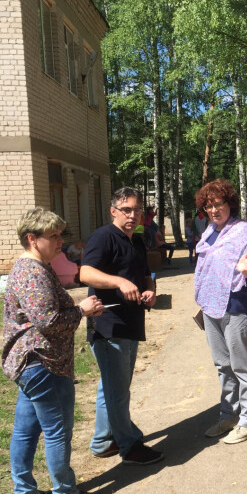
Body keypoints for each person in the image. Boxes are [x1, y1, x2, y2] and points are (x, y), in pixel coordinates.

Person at [3, 208, 104, 494]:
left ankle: (25, 492)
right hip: (44, 364)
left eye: (61, 235)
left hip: (32, 364)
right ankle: (65, 493)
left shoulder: (34, 267)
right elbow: (48, 321)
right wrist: (82, 310)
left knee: (25, 430)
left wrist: (77, 308)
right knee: (57, 430)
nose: (61, 241)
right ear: (32, 239)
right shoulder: (32, 272)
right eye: (54, 236)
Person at [79, 187, 163, 465]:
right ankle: (129, 445)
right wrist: (119, 281)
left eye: (137, 209)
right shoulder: (103, 237)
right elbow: (85, 272)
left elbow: (145, 274)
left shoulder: (136, 241)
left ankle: (103, 441)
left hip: (130, 321)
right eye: (126, 209)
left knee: (113, 386)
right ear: (113, 211)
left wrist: (150, 289)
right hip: (108, 324)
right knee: (117, 391)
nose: (132, 215)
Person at [194, 178, 247, 445]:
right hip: (211, 307)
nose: (214, 210)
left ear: (230, 204)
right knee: (223, 365)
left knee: (242, 366)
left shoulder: (243, 231)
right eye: (209, 206)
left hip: (237, 307)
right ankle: (229, 415)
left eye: (219, 204)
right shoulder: (209, 232)